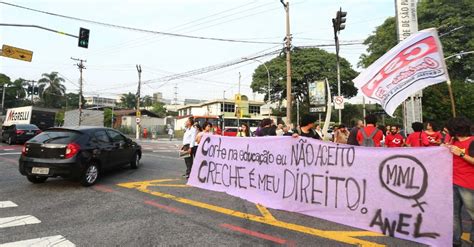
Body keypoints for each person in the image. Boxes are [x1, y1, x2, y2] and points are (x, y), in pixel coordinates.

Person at [445, 117, 474, 247]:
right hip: (452, 183)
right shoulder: (453, 141)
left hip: (469, 185)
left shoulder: (472, 142)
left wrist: (461, 154)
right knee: (453, 214)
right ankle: (455, 241)